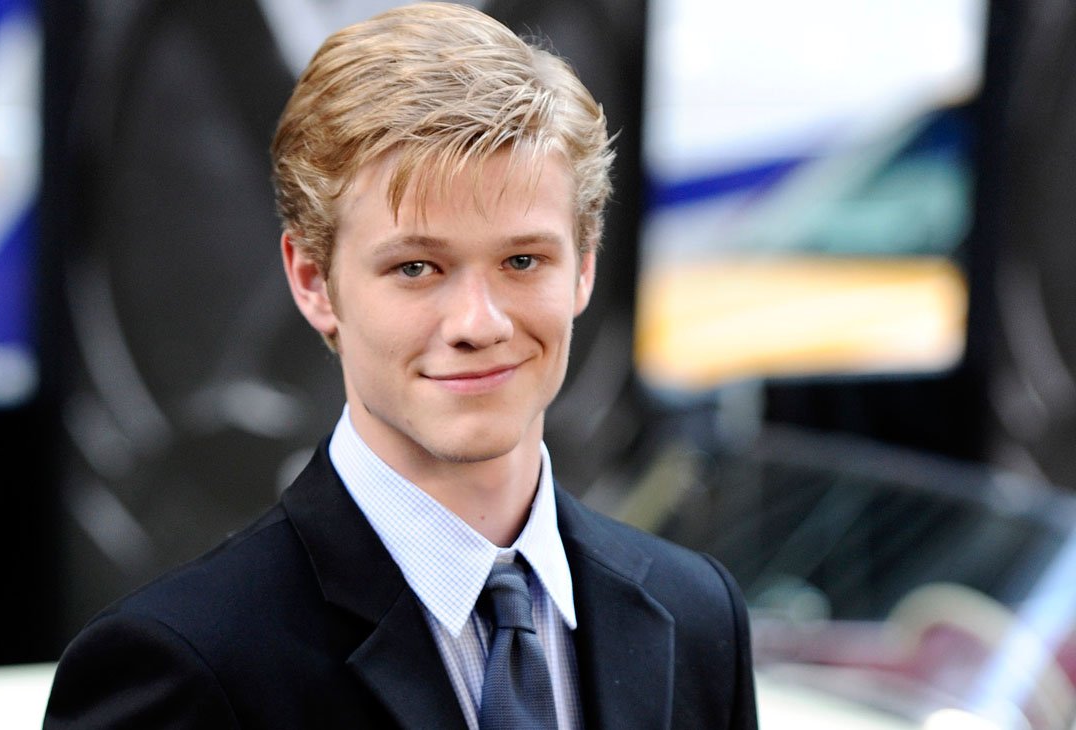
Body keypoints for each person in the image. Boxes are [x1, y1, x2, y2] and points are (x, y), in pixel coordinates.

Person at [43, 3, 758, 728]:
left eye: (523, 260)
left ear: (584, 269)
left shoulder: (696, 617)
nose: (479, 323)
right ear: (313, 281)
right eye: (417, 267)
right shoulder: (184, 661)